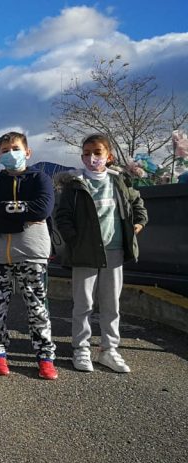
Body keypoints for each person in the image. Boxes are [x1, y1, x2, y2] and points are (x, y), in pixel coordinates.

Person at [55, 133, 147, 373]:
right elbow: (62, 216)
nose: (92, 158)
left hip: (114, 251)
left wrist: (138, 223)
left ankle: (109, 349)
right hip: (84, 253)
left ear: (109, 156)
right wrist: (75, 239)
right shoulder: (74, 185)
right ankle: (81, 348)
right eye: (87, 153)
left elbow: (137, 203)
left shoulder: (119, 181)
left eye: (97, 153)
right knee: (83, 303)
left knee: (111, 303)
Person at [0, 131, 58, 380]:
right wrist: (21, 220)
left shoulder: (40, 179)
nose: (10, 154)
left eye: (15, 148)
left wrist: (2, 209)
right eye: (5, 150)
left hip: (33, 253)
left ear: (27, 152)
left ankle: (45, 356)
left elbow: (42, 208)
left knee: (37, 307)